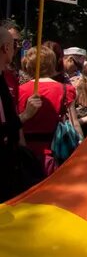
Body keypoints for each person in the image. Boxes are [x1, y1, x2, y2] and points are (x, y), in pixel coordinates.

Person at [17, 46, 83, 167]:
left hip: (25, 151)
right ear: (52, 63)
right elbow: (74, 122)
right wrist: (81, 144)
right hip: (56, 151)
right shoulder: (65, 89)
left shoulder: (19, 90)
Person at [0, 27, 42, 201]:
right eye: (14, 44)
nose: (17, 49)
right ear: (5, 48)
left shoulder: (4, 77)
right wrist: (25, 115)